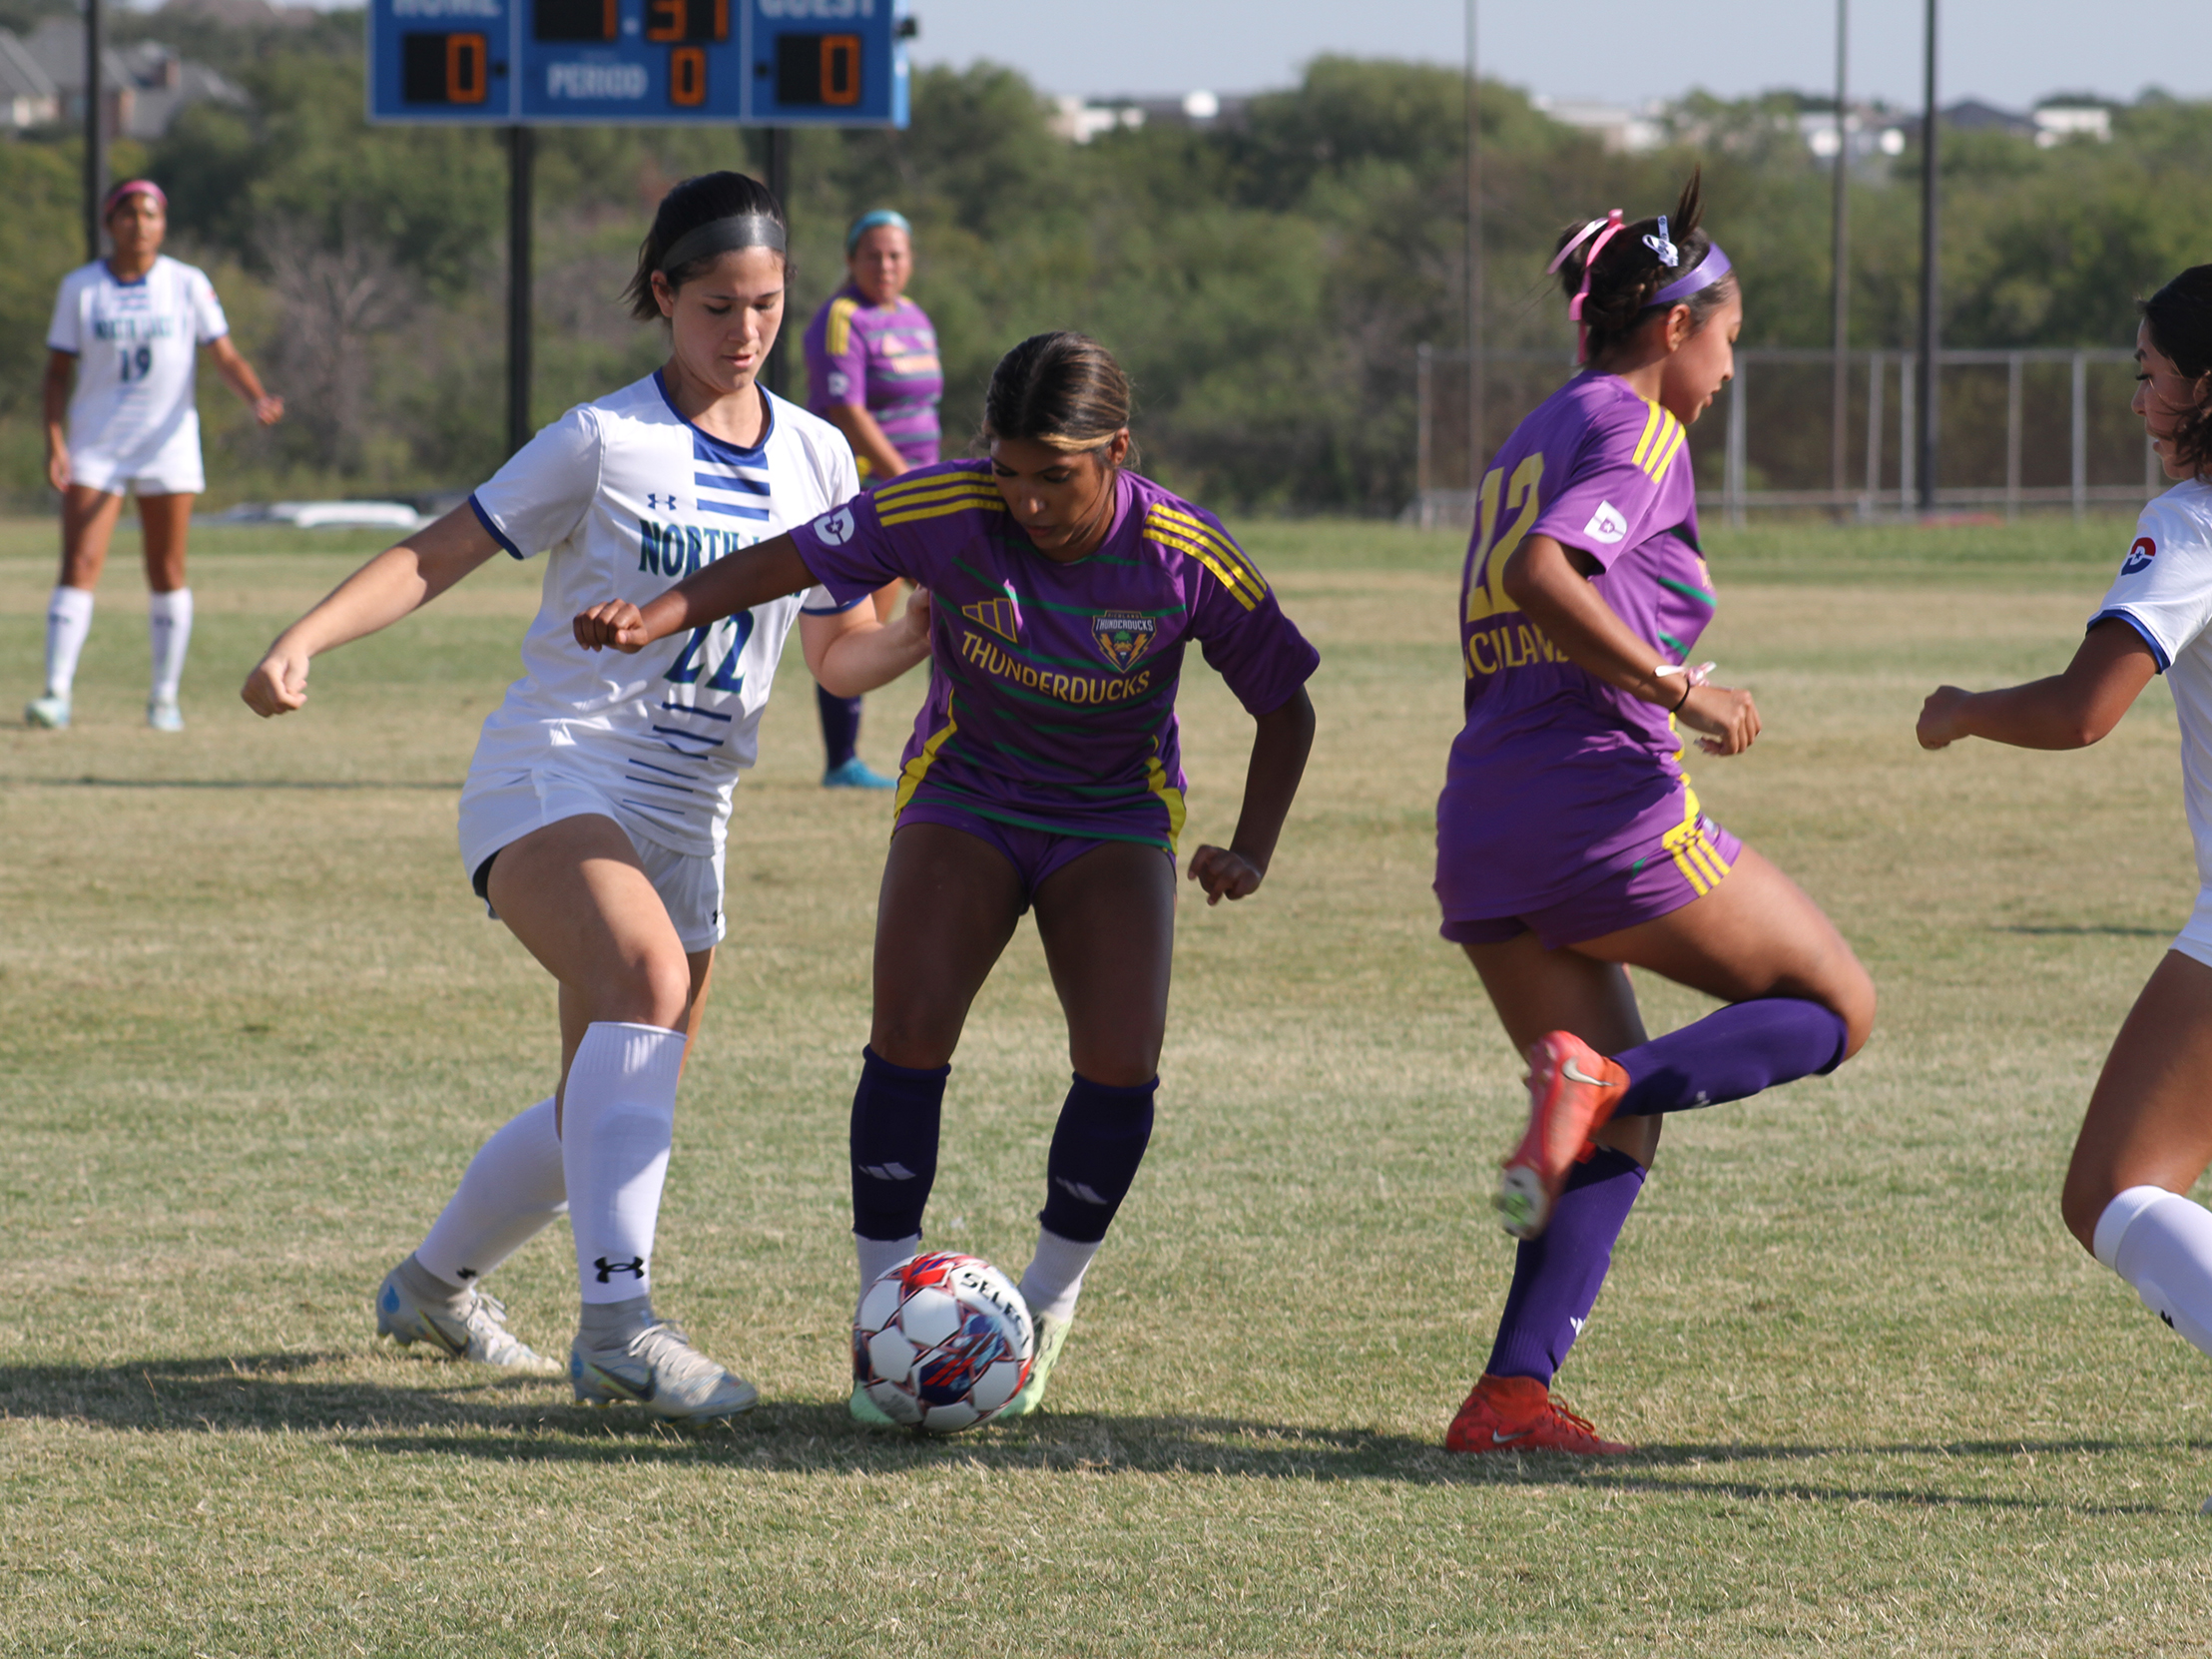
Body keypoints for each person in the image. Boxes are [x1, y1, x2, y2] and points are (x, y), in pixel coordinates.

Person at [240, 173, 931, 1420]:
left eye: (767, 304)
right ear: (661, 296)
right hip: (552, 771)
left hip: (691, 812)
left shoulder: (822, 453)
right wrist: (304, 639)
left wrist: (921, 625)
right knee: (643, 989)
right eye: (716, 304)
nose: (745, 330)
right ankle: (618, 1329)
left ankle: (433, 1288)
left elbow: (838, 652)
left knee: (608, 1101)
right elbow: (437, 548)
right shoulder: (603, 439)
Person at [573, 330, 1320, 1422]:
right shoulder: (944, 506)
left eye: (1053, 476)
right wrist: (659, 614)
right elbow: (787, 558)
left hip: (1112, 818)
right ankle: (888, 1309)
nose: (1023, 500)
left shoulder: (1181, 552)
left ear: (1115, 449)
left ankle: (1045, 1309)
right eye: (1006, 471)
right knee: (908, 1035)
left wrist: (1250, 846)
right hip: (965, 795)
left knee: (1120, 1059)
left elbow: (1285, 702)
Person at [1432, 176, 1875, 1456]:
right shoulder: (1637, 430)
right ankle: (1604, 1074)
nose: (1731, 365)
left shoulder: (1537, 426)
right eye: (1729, 333)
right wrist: (1679, 687)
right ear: (1676, 325)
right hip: (1598, 812)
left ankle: (1507, 1398)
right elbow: (1542, 574)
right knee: (1837, 1007)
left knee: (1605, 1122)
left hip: (1484, 823)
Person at [1918, 265, 2212, 1376]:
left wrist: (1960, 714)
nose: (2136, 403)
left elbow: (2083, 709)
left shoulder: (2188, 523)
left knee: (2109, 1190)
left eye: (2149, 377)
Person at [33, 178, 282, 732]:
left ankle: (164, 698)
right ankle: (56, 693)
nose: (139, 224)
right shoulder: (81, 287)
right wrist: (54, 442)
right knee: (79, 564)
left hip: (166, 446)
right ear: (109, 222)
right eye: (128, 214)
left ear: (163, 224)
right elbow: (56, 375)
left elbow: (224, 354)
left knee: (166, 569)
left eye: (150, 214)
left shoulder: (186, 283)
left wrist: (256, 397)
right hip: (97, 444)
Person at [800, 209, 944, 790]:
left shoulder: (913, 317)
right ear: (851, 260)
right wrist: (905, 478)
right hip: (874, 497)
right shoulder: (842, 317)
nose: (884, 265)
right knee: (861, 630)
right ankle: (842, 762)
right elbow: (847, 411)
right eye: (872, 255)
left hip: (921, 494)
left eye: (895, 255)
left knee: (953, 610)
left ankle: (956, 744)